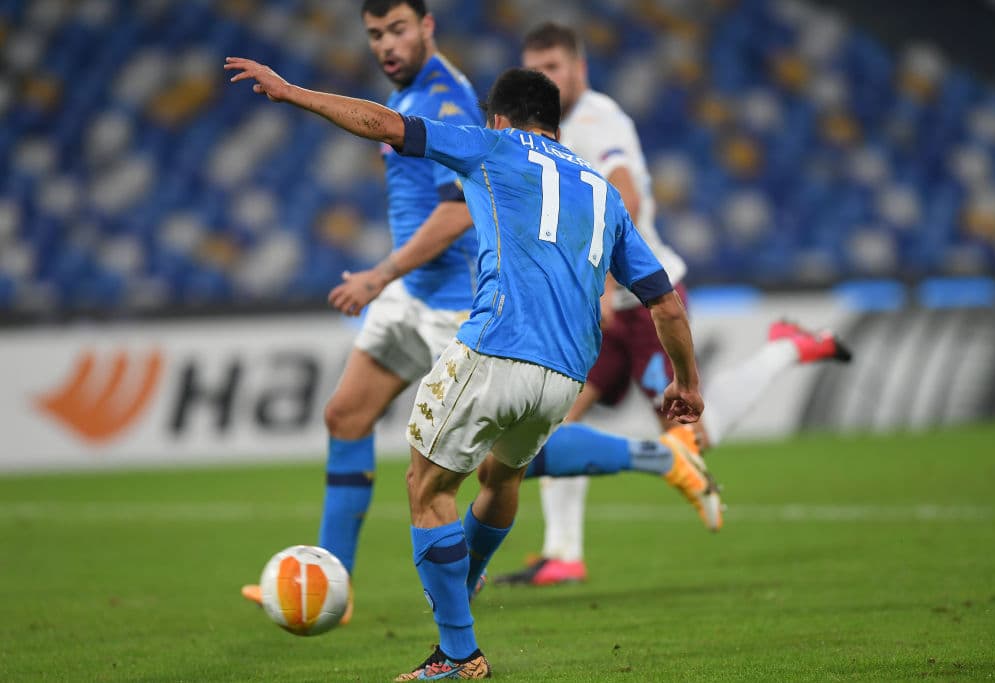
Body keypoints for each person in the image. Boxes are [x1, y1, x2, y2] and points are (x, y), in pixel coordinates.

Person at [225, 57, 703, 680]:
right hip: (565, 373)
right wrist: (687, 382)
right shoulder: (603, 194)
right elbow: (663, 301)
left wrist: (294, 95)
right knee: (501, 481)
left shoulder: (492, 146)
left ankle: (458, 651)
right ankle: (465, 582)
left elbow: (384, 124)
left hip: (497, 346)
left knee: (427, 488)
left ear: (500, 117)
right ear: (557, 126)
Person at [494, 22, 852, 586]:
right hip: (595, 305)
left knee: (690, 437)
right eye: (537, 69)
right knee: (553, 422)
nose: (548, 78)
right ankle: (562, 551)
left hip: (638, 302)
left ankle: (784, 350)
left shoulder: (600, 121)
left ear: (580, 68)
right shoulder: (538, 132)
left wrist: (607, 283)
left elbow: (624, 193)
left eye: (556, 67)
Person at [237, 0, 483, 624]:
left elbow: (458, 211)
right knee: (345, 415)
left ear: (427, 27)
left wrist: (380, 274)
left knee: (512, 459)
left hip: (452, 306)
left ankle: (656, 458)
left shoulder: (446, 101)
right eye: (375, 35)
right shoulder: (406, 97)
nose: (386, 45)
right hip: (411, 293)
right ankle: (328, 583)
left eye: (398, 30)